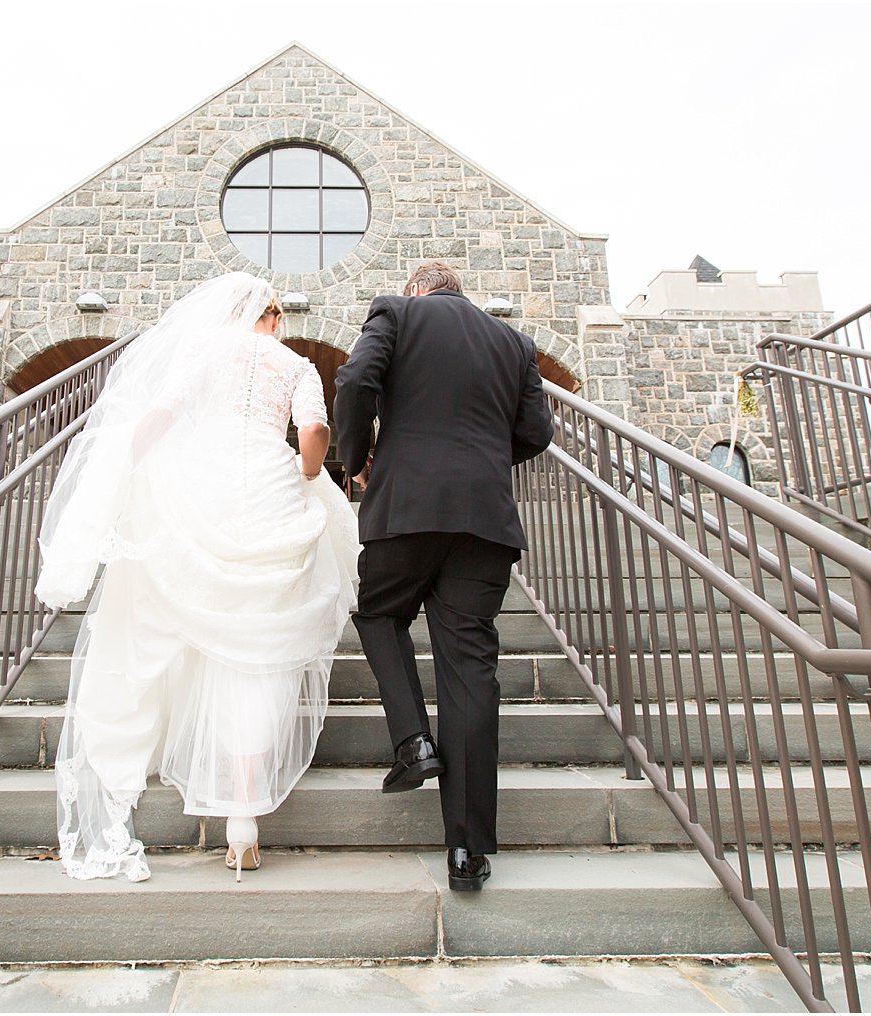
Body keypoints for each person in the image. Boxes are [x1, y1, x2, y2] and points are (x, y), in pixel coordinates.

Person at [34, 272, 359, 883]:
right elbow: (314, 432)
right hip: (269, 487)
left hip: (200, 488)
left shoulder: (202, 348)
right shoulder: (296, 366)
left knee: (181, 612)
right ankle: (244, 821)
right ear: (275, 318)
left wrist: (124, 467)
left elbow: (163, 413)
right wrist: (311, 473)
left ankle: (155, 763)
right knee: (259, 643)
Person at [333, 261, 552, 892]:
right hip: (484, 519)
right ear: (459, 289)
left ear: (415, 289)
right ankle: (467, 852)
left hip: (405, 506)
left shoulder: (395, 313)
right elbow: (535, 432)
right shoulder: (513, 341)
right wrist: (481, 454)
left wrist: (360, 459)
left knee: (378, 613)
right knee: (469, 671)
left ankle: (413, 743)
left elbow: (354, 382)